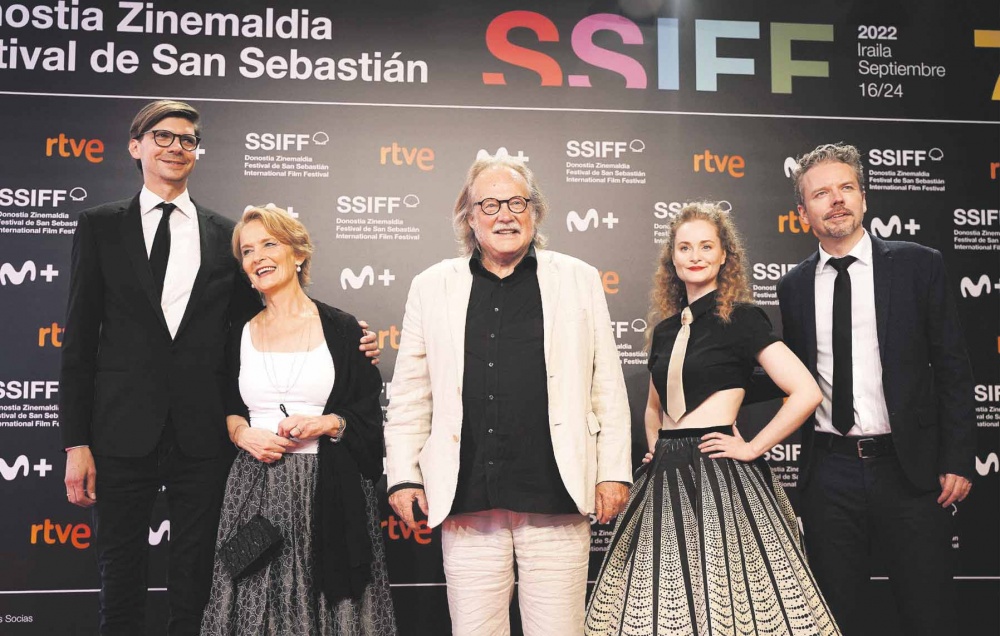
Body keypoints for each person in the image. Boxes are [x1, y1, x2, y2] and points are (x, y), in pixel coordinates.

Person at [59, 100, 378, 636]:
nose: (176, 147)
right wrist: (76, 442)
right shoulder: (99, 227)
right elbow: (78, 342)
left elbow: (266, 319)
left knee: (197, 582)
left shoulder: (226, 237)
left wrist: (348, 337)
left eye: (187, 139)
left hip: (203, 437)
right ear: (136, 146)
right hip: (118, 433)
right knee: (120, 578)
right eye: (162, 136)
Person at [383, 154, 633, 636]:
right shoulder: (431, 286)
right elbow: (411, 393)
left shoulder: (578, 278)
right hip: (467, 498)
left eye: (517, 202)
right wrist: (403, 477)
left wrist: (612, 472)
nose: (505, 215)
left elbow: (606, 383)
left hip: (557, 494)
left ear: (534, 212)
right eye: (490, 204)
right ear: (469, 217)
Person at [586, 202, 840, 635]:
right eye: (685, 247)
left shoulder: (743, 319)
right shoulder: (665, 330)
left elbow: (807, 392)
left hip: (721, 472)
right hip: (663, 476)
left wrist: (752, 447)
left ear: (725, 255)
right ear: (672, 258)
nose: (696, 256)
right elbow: (654, 405)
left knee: (728, 602)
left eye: (707, 246)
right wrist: (657, 447)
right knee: (661, 605)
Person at [778, 143, 975, 636]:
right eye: (821, 194)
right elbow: (791, 375)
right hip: (829, 474)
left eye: (846, 188)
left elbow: (952, 367)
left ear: (864, 199)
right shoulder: (793, 286)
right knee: (836, 618)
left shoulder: (918, 265)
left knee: (930, 612)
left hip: (909, 471)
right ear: (802, 214)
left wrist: (957, 456)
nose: (836, 200)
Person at [199, 206, 397, 636]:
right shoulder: (235, 333)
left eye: (269, 244)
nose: (258, 257)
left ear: (299, 253)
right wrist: (243, 434)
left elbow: (367, 418)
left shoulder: (344, 329)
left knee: (331, 603)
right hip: (254, 490)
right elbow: (225, 406)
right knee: (251, 602)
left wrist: (325, 424)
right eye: (247, 250)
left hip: (329, 489)